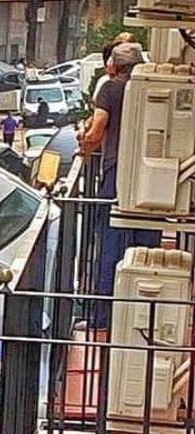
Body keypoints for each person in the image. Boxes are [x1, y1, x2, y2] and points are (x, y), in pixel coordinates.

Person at [80, 40, 159, 326]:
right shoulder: (150, 87)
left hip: (117, 173)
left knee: (110, 245)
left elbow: (96, 130)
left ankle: (102, 317)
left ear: (113, 66)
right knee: (148, 252)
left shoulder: (111, 89)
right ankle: (143, 317)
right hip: (153, 180)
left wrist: (84, 146)